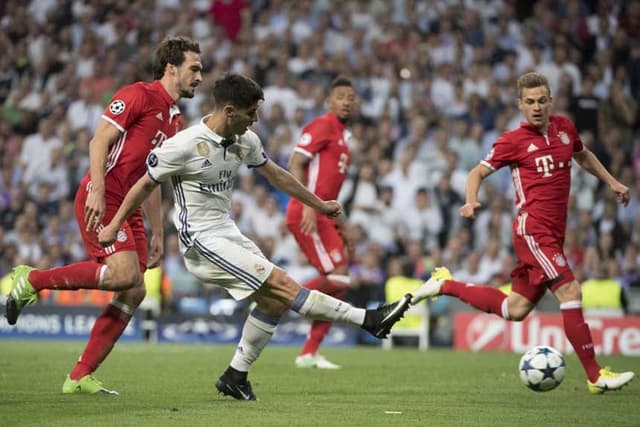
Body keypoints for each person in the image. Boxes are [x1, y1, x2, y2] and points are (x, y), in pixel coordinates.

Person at [96, 74, 411, 400]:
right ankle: (369, 319)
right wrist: (115, 224)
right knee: (283, 285)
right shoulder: (183, 145)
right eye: (251, 112)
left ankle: (235, 376)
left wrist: (317, 204)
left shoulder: (245, 140)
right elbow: (145, 184)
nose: (256, 119)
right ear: (230, 111)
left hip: (228, 232)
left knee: (274, 301)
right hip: (200, 241)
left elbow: (275, 173)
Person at [412, 72, 635, 394]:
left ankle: (444, 284)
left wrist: (612, 181)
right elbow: (477, 172)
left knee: (514, 309)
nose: (536, 107)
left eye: (542, 100)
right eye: (529, 102)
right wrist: (471, 201)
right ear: (520, 105)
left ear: (550, 101)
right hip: (533, 231)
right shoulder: (512, 142)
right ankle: (595, 375)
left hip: (553, 234)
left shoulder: (564, 129)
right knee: (571, 292)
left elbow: (582, 154)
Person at [6, 36, 203, 395]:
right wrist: (97, 189)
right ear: (171, 68)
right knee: (123, 273)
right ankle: (33, 280)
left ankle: (79, 376)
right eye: (194, 68)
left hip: (131, 206)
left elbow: (153, 178)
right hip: (103, 195)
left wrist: (158, 232)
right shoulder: (137, 95)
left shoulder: (175, 120)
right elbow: (99, 141)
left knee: (134, 290)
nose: (200, 76)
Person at [285, 76, 355, 370]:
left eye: (351, 97)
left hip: (326, 215)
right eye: (341, 96)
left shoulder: (343, 135)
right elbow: (294, 164)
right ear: (329, 101)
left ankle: (309, 352)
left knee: (339, 286)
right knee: (339, 277)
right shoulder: (322, 125)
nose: (347, 101)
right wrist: (307, 204)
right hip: (308, 213)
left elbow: (330, 185)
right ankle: (280, 298)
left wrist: (344, 223)